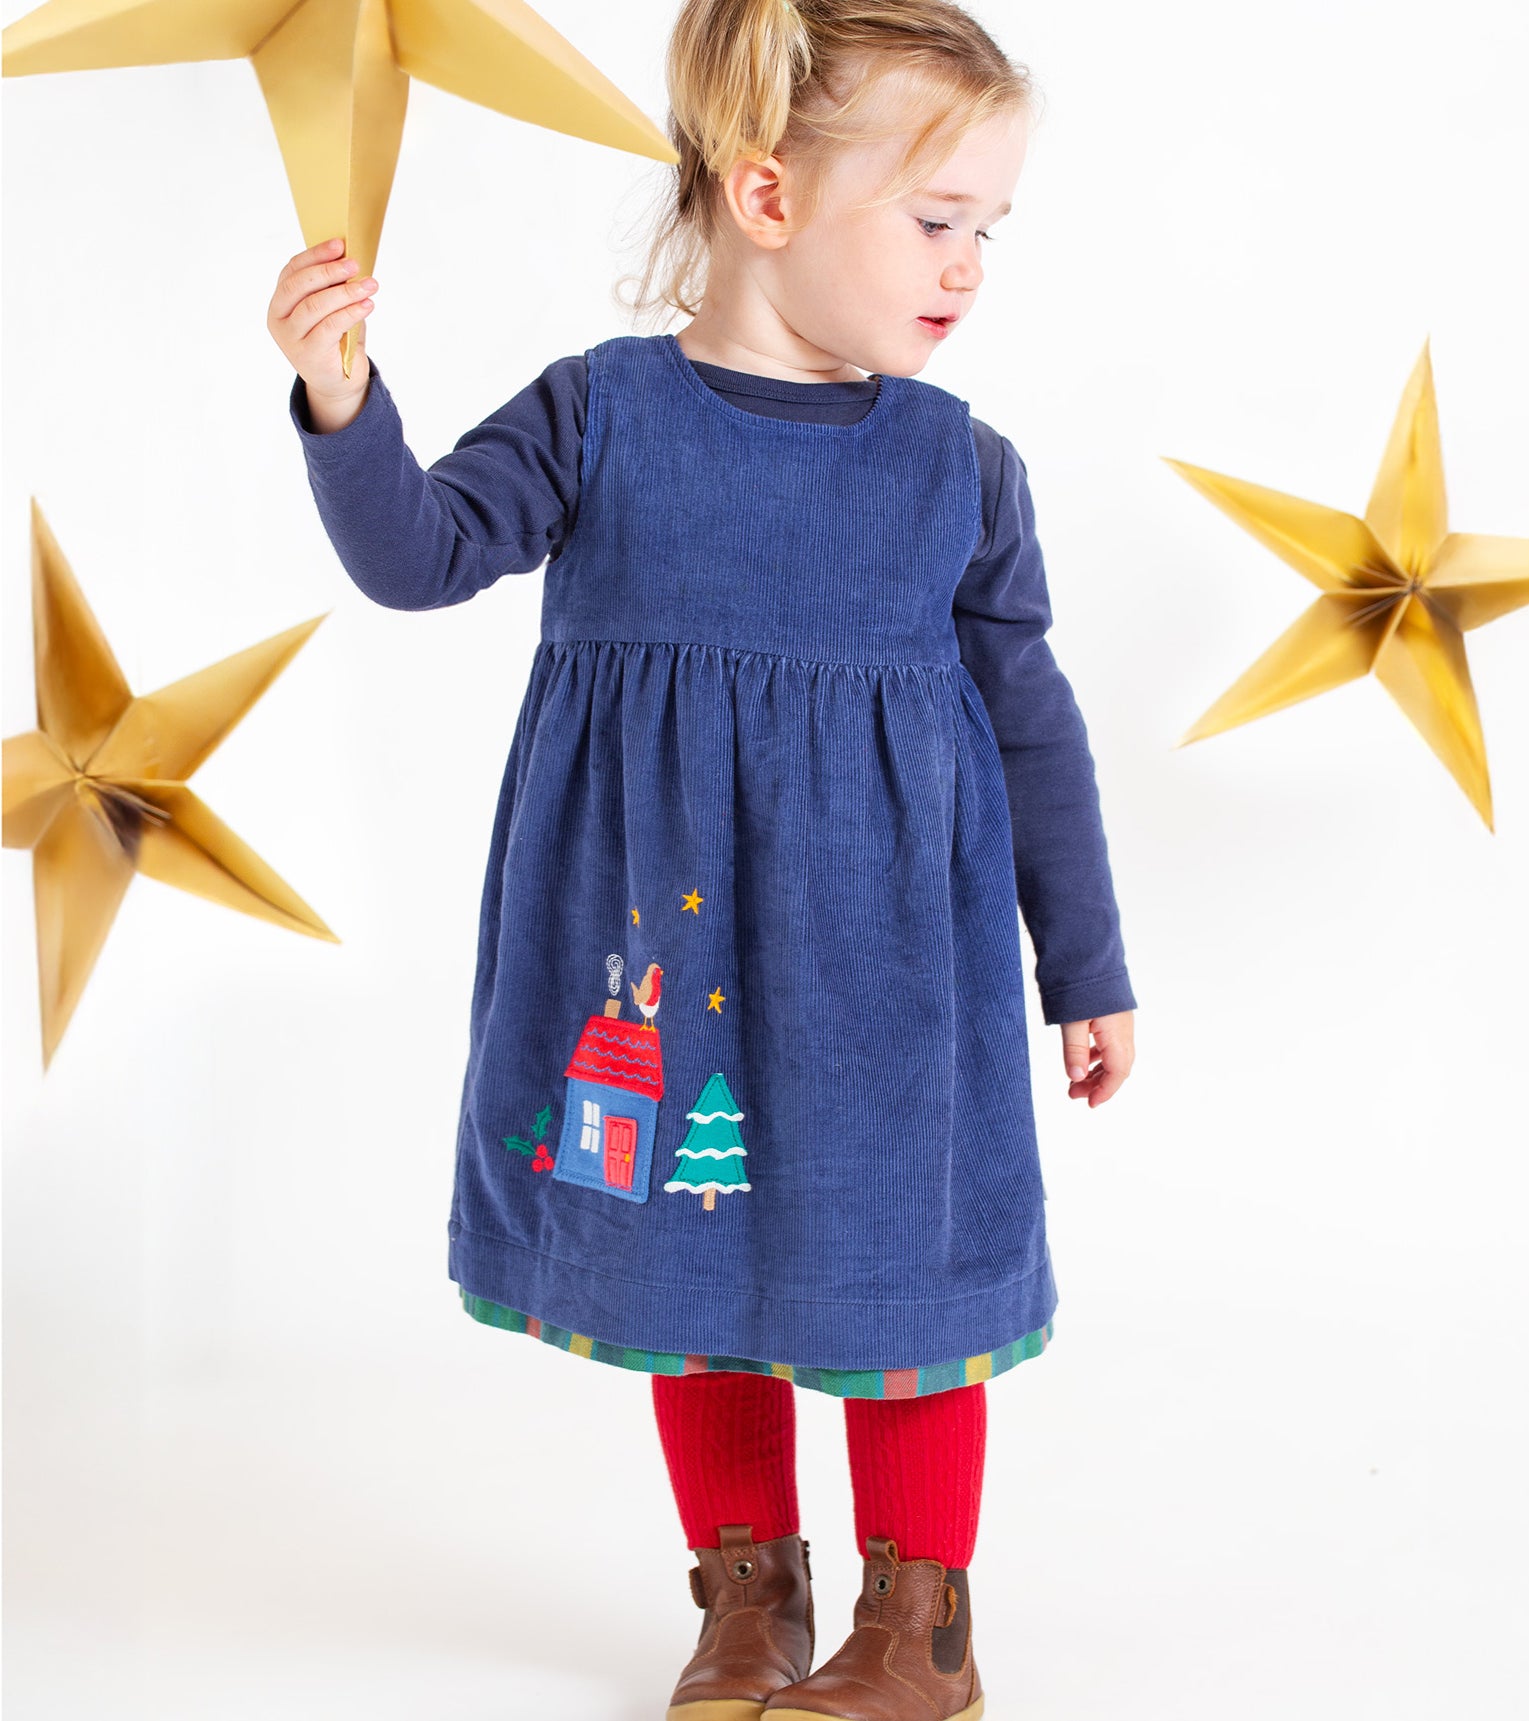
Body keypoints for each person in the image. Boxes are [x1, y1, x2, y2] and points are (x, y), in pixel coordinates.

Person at [268, 3, 1136, 1715]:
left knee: (897, 1267)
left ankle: (916, 1633)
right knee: (696, 1249)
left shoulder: (961, 469)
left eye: (991, 231)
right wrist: (341, 397)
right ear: (764, 198)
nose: (970, 267)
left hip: (887, 969)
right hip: (654, 945)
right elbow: (419, 559)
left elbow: (1033, 726)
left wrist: (1085, 966)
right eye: (935, 218)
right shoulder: (601, 419)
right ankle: (747, 1597)